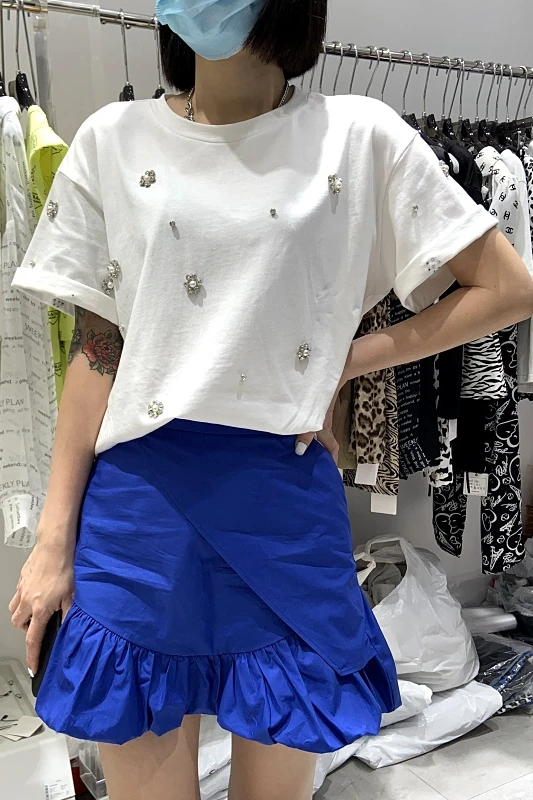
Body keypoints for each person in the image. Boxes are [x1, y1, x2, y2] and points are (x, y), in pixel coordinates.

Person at [8, 0, 533, 798]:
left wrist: (346, 360)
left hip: (282, 504)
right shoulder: (111, 140)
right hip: (138, 513)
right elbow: (97, 350)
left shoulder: (359, 136)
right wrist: (52, 544)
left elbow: (505, 286)